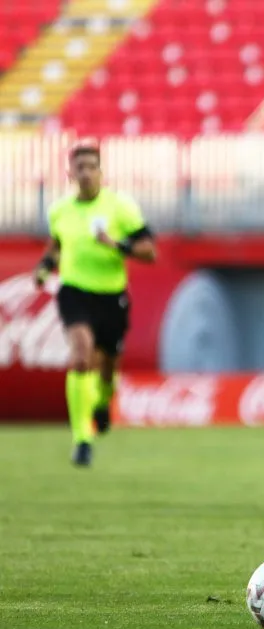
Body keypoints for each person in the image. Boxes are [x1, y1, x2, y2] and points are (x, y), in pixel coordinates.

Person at [33, 139, 157, 467]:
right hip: (74, 291)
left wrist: (117, 245)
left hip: (111, 295)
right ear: (70, 173)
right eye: (80, 167)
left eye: (91, 167)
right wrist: (45, 267)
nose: (85, 173)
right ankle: (82, 439)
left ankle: (102, 403)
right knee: (80, 356)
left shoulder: (120, 207)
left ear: (101, 173)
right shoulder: (60, 210)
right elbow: (56, 244)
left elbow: (150, 250)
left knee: (107, 367)